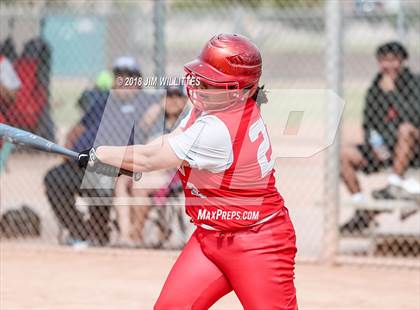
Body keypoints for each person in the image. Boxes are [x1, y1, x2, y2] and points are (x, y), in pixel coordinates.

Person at [78, 34, 297, 309]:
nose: (200, 87)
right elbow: (163, 144)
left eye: (212, 82)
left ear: (240, 90)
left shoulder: (218, 129)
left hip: (258, 243)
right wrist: (116, 159)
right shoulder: (211, 107)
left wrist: (99, 153)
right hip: (210, 237)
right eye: (201, 77)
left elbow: (149, 158)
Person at [44, 56, 159, 246]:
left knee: (100, 183)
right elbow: (78, 129)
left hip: (111, 167)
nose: (122, 81)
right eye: (118, 76)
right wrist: (67, 149)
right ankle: (82, 232)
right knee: (53, 178)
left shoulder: (145, 105)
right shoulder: (102, 102)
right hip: (79, 161)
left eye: (128, 77)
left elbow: (166, 110)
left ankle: (98, 233)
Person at [340, 41, 420, 232]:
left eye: (393, 60)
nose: (388, 65)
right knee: (342, 153)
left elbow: (414, 116)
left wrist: (392, 92)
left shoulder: (415, 83)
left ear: (402, 61)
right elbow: (368, 124)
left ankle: (393, 185)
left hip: (412, 148)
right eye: (383, 60)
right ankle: (362, 209)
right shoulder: (374, 89)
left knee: (406, 129)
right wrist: (374, 144)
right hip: (383, 150)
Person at [114, 84, 190, 247]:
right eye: (169, 96)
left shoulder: (186, 122)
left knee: (139, 186)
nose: (173, 100)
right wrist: (149, 118)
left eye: (178, 96)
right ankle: (125, 233)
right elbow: (138, 143)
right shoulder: (155, 119)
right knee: (121, 181)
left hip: (171, 174)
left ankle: (135, 235)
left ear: (185, 100)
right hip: (147, 168)